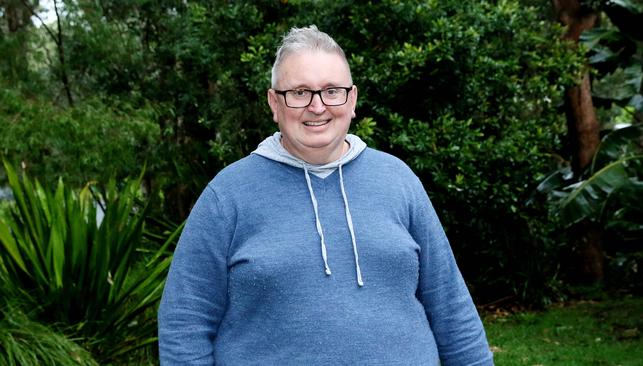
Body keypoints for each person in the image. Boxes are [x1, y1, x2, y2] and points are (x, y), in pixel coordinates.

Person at [158, 25, 494, 365]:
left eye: (332, 91)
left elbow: (451, 307)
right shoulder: (227, 196)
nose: (317, 107)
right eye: (300, 92)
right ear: (274, 102)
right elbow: (184, 324)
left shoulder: (399, 181)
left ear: (353, 100)